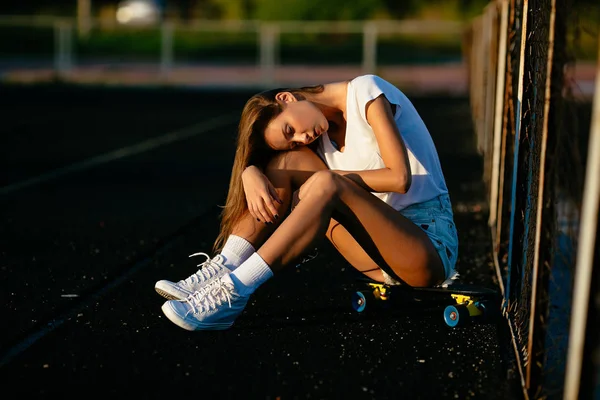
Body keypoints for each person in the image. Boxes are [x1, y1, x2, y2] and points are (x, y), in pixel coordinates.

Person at [155, 74, 459, 331]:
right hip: (376, 260)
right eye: (293, 139)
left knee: (326, 183)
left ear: (286, 98)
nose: (301, 138)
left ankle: (235, 290)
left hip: (426, 246)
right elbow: (285, 165)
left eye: (291, 130)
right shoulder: (316, 138)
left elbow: (399, 178)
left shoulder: (366, 92)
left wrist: (326, 183)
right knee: (285, 164)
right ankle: (225, 265)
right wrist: (250, 170)